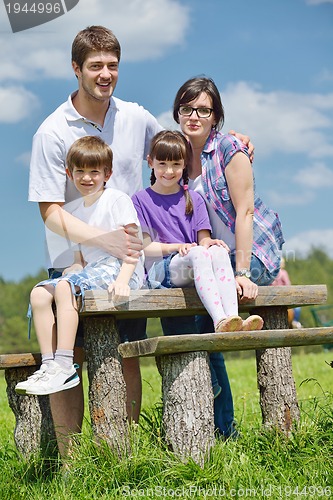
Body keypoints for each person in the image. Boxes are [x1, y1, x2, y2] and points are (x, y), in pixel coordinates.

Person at [28, 25, 253, 455]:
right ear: (76, 69)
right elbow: (50, 211)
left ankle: (122, 453)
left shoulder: (135, 117)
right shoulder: (52, 131)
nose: (105, 74)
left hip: (130, 266)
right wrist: (105, 239)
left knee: (125, 356)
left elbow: (182, 144)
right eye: (95, 66)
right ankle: (74, 460)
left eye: (112, 65)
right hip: (72, 260)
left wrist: (233, 141)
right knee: (69, 358)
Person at [159, 76, 285, 437]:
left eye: (203, 109)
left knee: (197, 311)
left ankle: (221, 424)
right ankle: (201, 415)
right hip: (209, 258)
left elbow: (244, 212)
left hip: (249, 255)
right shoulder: (175, 156)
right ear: (177, 112)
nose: (194, 115)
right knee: (181, 317)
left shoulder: (230, 148)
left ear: (216, 116)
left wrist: (242, 271)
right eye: (187, 108)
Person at [132, 130, 263, 397]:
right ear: (150, 163)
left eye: (176, 165)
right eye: (163, 164)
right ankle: (220, 321)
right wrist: (177, 247)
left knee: (216, 252)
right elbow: (146, 248)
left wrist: (211, 244)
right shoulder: (140, 200)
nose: (169, 171)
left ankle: (233, 318)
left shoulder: (194, 197)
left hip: (193, 261)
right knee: (200, 254)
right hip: (162, 270)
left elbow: (203, 240)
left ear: (184, 166)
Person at [16, 136, 144, 396]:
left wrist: (123, 280)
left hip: (120, 269)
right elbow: (80, 260)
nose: (87, 178)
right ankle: (50, 364)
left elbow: (134, 246)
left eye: (94, 171)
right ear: (69, 173)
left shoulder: (117, 200)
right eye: (80, 171)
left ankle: (65, 365)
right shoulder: (73, 212)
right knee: (39, 293)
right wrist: (73, 268)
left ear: (107, 173)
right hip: (93, 271)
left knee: (65, 288)